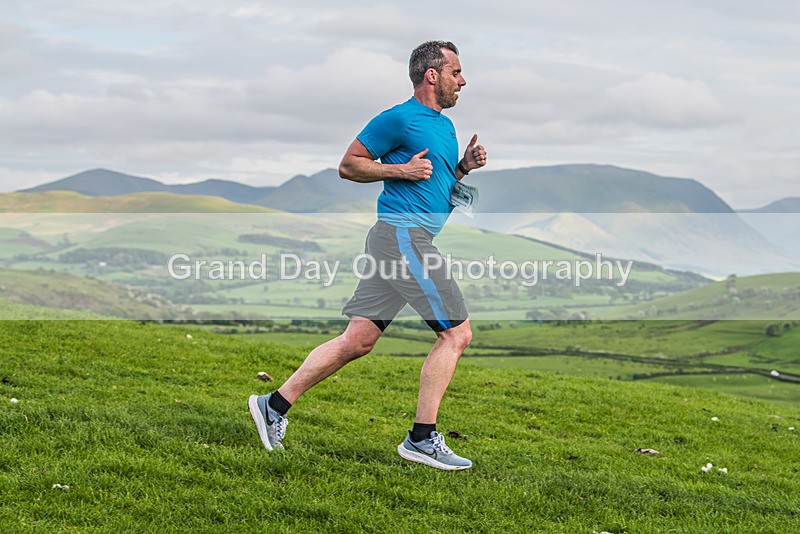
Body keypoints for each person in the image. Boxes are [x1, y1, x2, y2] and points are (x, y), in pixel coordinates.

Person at [249, 40, 487, 471]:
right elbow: (349, 164)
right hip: (403, 239)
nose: (463, 80)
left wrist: (463, 167)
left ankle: (273, 405)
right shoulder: (397, 118)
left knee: (358, 340)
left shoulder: (444, 127)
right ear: (431, 75)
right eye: (456, 72)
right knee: (457, 334)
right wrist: (400, 170)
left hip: (402, 240)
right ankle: (422, 438)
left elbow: (434, 184)